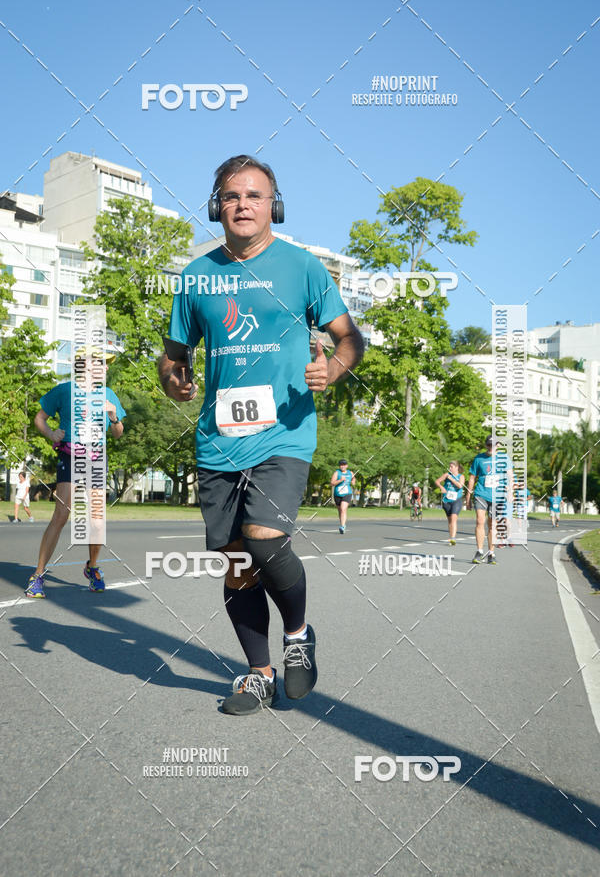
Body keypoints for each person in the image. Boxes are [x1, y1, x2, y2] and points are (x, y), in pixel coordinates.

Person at [159, 154, 364, 715]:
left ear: (273, 205)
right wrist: (174, 378)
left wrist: (336, 369)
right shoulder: (195, 276)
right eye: (231, 196)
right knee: (239, 561)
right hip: (218, 437)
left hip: (285, 431)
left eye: (254, 196)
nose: (242, 205)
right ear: (216, 206)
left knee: (265, 537)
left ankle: (297, 636)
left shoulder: (302, 268)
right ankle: (258, 673)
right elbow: (174, 355)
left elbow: (349, 338)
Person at [24, 347, 125, 599]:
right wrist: (50, 434)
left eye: (107, 363)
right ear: (85, 365)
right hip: (70, 456)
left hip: (97, 459)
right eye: (101, 362)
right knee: (61, 515)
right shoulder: (64, 390)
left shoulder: (109, 394)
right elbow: (39, 418)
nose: (106, 367)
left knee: (98, 520)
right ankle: (37, 576)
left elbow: (118, 433)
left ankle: (92, 568)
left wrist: (114, 418)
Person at [466, 434, 513, 565]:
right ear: (486, 445)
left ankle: (491, 553)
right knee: (480, 521)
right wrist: (468, 496)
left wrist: (511, 492)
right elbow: (471, 478)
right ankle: (479, 551)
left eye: (493, 445)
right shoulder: (479, 458)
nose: (490, 448)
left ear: (498, 445)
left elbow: (510, 476)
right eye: (488, 445)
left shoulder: (504, 458)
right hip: (481, 493)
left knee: (492, 524)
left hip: (497, 496)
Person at [434, 461, 464, 545]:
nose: (450, 468)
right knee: (450, 521)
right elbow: (437, 481)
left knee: (454, 518)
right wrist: (441, 487)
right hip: (446, 500)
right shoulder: (446, 475)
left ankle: (453, 538)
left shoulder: (461, 476)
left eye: (452, 467)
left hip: (456, 500)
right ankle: (451, 537)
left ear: (457, 467)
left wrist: (451, 479)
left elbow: (460, 486)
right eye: (449, 467)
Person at [331, 459, 355, 533]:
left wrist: (352, 481)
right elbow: (332, 483)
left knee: (343, 509)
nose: (343, 466)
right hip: (337, 494)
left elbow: (353, 480)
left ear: (347, 466)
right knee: (340, 510)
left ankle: (342, 526)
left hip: (347, 493)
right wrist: (340, 480)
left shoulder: (350, 472)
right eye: (341, 465)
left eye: (344, 465)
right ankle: (342, 524)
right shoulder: (336, 473)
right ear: (339, 466)